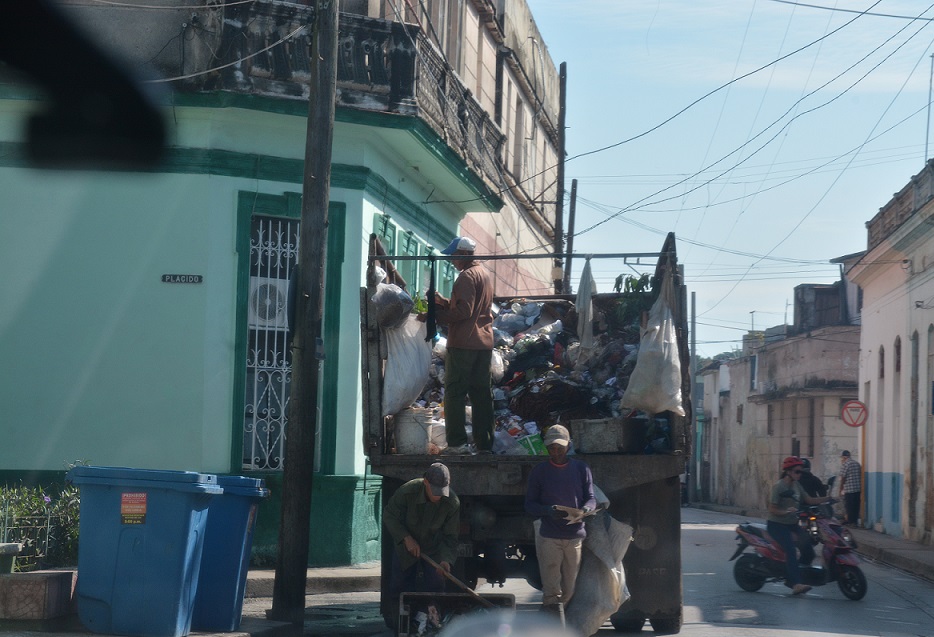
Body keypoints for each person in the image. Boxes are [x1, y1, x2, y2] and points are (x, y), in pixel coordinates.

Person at [524, 425, 597, 613]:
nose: (556, 452)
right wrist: (547, 511)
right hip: (549, 536)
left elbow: (590, 497)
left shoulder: (581, 469)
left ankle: (558, 618)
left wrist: (586, 509)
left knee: (570, 588)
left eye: (560, 447)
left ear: (569, 446)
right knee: (551, 589)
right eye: (551, 448)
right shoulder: (539, 471)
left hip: (574, 536)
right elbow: (530, 505)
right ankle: (551, 621)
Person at [434, 236, 494, 455]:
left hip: (464, 344)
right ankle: (485, 444)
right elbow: (473, 309)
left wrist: (435, 315)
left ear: (464, 255)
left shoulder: (466, 277)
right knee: (481, 395)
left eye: (453, 255)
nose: (451, 260)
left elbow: (464, 312)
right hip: (483, 343)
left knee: (454, 393)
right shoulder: (484, 274)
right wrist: (445, 302)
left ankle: (457, 444)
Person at [383, 462, 460, 613]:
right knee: (400, 585)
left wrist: (446, 560)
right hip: (406, 546)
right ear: (425, 482)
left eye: (441, 491)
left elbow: (450, 536)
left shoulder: (452, 503)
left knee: (436, 586)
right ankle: (403, 620)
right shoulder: (408, 492)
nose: (438, 496)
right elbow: (389, 515)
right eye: (435, 491)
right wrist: (406, 538)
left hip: (434, 548)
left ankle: (433, 618)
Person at [766, 456, 831, 595]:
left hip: (791, 524)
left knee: (808, 550)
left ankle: (795, 577)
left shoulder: (797, 485)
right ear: (788, 471)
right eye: (797, 471)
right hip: (776, 525)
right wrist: (785, 512)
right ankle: (796, 584)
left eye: (801, 472)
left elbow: (809, 499)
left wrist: (829, 499)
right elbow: (772, 509)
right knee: (790, 550)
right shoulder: (779, 487)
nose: (799, 474)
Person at [838, 450, 862, 526]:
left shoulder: (845, 464)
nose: (841, 460)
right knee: (856, 506)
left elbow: (843, 478)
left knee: (849, 506)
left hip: (849, 489)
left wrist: (841, 488)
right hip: (857, 489)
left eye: (842, 458)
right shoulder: (857, 463)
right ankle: (854, 521)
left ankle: (850, 521)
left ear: (844, 457)